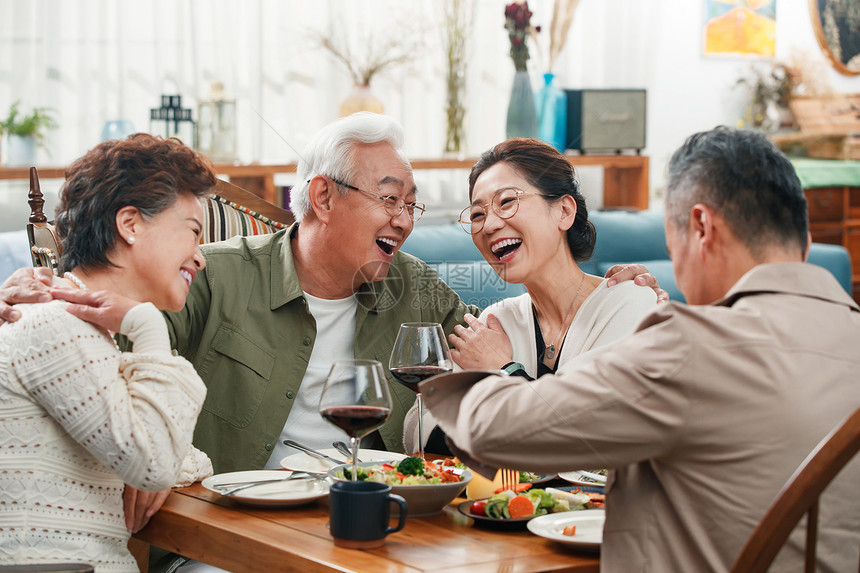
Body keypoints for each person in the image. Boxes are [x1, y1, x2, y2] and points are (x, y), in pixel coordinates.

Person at [422, 127, 860, 572]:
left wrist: (464, 379)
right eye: (478, 213)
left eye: (671, 242)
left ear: (701, 228)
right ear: (804, 244)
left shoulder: (688, 345)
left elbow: (499, 429)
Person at [0, 134, 214, 571]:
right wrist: (147, 324)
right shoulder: (53, 325)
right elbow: (155, 461)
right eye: (193, 232)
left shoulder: (80, 331)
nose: (201, 257)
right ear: (130, 224)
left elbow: (173, 455)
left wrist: (157, 455)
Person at [405, 138, 658, 453]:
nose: (489, 225)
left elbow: (582, 437)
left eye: (507, 201)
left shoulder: (632, 305)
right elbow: (422, 428)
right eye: (477, 215)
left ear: (563, 211)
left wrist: (503, 369)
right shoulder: (497, 321)